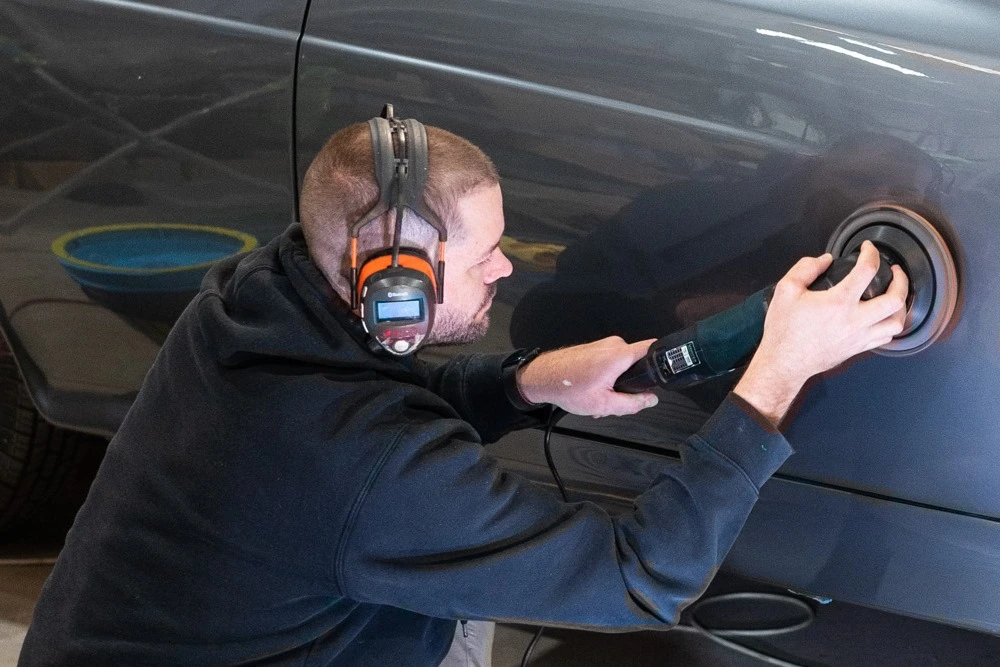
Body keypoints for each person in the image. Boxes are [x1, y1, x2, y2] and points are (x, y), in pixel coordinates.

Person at [19, 117, 908, 666]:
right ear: (391, 283)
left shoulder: (256, 295)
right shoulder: (364, 467)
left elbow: (372, 409)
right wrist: (777, 375)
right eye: (478, 254)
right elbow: (642, 578)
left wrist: (524, 382)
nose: (504, 269)